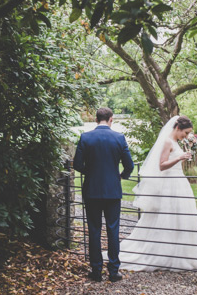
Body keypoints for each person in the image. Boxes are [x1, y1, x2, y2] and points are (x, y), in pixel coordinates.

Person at [118, 115, 197, 271]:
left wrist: (182, 157)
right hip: (170, 184)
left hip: (179, 182)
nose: (187, 136)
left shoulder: (175, 142)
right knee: (167, 218)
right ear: (178, 128)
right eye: (186, 132)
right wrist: (180, 158)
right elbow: (162, 165)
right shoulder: (167, 142)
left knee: (180, 218)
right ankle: (163, 252)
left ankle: (179, 253)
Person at [73, 107, 135, 283]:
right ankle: (114, 271)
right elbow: (129, 165)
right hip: (113, 191)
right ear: (111, 119)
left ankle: (96, 270)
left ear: (96, 119)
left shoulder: (85, 137)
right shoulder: (119, 138)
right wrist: (121, 176)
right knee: (113, 229)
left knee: (94, 230)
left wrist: (90, 173)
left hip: (91, 190)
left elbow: (77, 164)